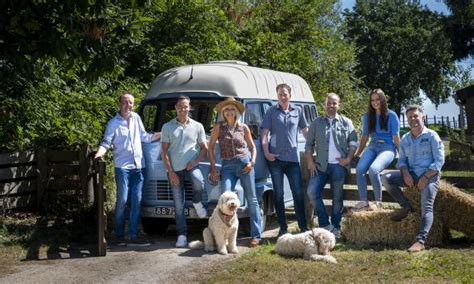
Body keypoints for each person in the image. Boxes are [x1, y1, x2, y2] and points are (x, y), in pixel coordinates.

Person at [94, 92, 160, 244]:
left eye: (131, 103)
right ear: (119, 104)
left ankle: (133, 234)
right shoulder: (113, 123)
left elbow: (145, 137)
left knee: (136, 200)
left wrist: (165, 133)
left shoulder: (136, 118)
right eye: (125, 102)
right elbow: (106, 143)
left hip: (139, 166)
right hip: (122, 167)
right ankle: (118, 235)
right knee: (123, 200)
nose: (128, 105)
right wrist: (98, 154)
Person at [381, 105, 444, 252]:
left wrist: (426, 177)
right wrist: (404, 172)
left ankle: (420, 241)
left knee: (426, 206)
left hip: (430, 175)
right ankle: (407, 206)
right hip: (411, 174)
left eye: (416, 116)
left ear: (423, 117)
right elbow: (402, 160)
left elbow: (439, 161)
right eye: (410, 117)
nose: (413, 119)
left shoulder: (432, 136)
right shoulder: (405, 139)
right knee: (385, 178)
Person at [208, 97, 262, 247]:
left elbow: (253, 147)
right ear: (223, 113)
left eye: (232, 109)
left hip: (244, 163)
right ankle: (225, 237)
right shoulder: (218, 127)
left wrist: (252, 162)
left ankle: (256, 236)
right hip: (227, 166)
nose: (229, 111)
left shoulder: (243, 127)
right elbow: (210, 147)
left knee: (252, 199)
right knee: (225, 198)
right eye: (226, 109)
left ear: (236, 111)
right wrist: (213, 167)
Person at [305, 93, 358, 238]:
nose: (331, 106)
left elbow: (354, 142)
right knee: (312, 192)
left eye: (334, 103)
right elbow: (308, 144)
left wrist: (348, 159)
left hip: (339, 167)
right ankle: (325, 224)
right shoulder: (316, 123)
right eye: (329, 103)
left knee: (337, 198)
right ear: (325, 104)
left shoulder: (346, 122)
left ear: (338, 105)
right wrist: (310, 161)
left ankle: (336, 226)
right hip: (320, 166)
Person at [260, 83, 309, 235]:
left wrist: (312, 148)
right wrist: (267, 152)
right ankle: (283, 228)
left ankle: (303, 227)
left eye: (285, 94)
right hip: (276, 160)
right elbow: (264, 133)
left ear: (290, 95)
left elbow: (305, 131)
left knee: (298, 193)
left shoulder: (298, 111)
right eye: (280, 94)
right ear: (277, 96)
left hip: (293, 159)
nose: (282, 96)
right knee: (279, 194)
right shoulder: (271, 111)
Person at [161, 96, 208, 248]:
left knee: (199, 182)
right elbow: (164, 152)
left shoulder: (198, 126)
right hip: (174, 170)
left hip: (191, 166)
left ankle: (197, 201)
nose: (183, 109)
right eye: (180, 106)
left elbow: (204, 149)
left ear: (190, 108)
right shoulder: (167, 127)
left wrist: (195, 162)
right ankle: (182, 235)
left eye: (186, 106)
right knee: (178, 204)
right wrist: (170, 171)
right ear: (176, 107)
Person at [353, 89, 400, 211]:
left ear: (383, 99)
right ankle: (364, 201)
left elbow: (396, 137)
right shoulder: (367, 116)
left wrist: (402, 155)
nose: (375, 102)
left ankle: (378, 203)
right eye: (372, 100)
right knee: (359, 169)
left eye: (377, 99)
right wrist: (358, 153)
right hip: (372, 146)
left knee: (373, 169)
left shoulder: (392, 115)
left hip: (388, 147)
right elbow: (364, 136)